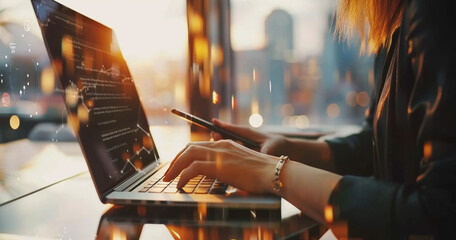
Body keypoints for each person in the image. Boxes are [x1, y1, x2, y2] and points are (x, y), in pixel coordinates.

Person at [164, 0, 456, 238]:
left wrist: (276, 173)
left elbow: (437, 215)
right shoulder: (396, 19)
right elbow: (378, 142)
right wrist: (291, 148)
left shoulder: (433, 11)